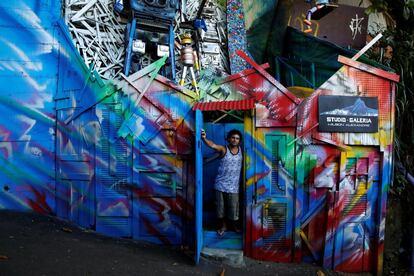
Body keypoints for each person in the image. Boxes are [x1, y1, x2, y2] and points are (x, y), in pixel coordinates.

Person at [201, 128, 242, 236]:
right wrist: (204, 138)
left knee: (233, 209)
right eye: (233, 137)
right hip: (220, 185)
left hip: (234, 187)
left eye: (237, 138)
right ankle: (223, 226)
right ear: (229, 139)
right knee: (220, 208)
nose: (234, 140)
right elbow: (212, 145)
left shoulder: (243, 151)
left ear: (239, 141)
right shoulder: (224, 149)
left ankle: (233, 225)